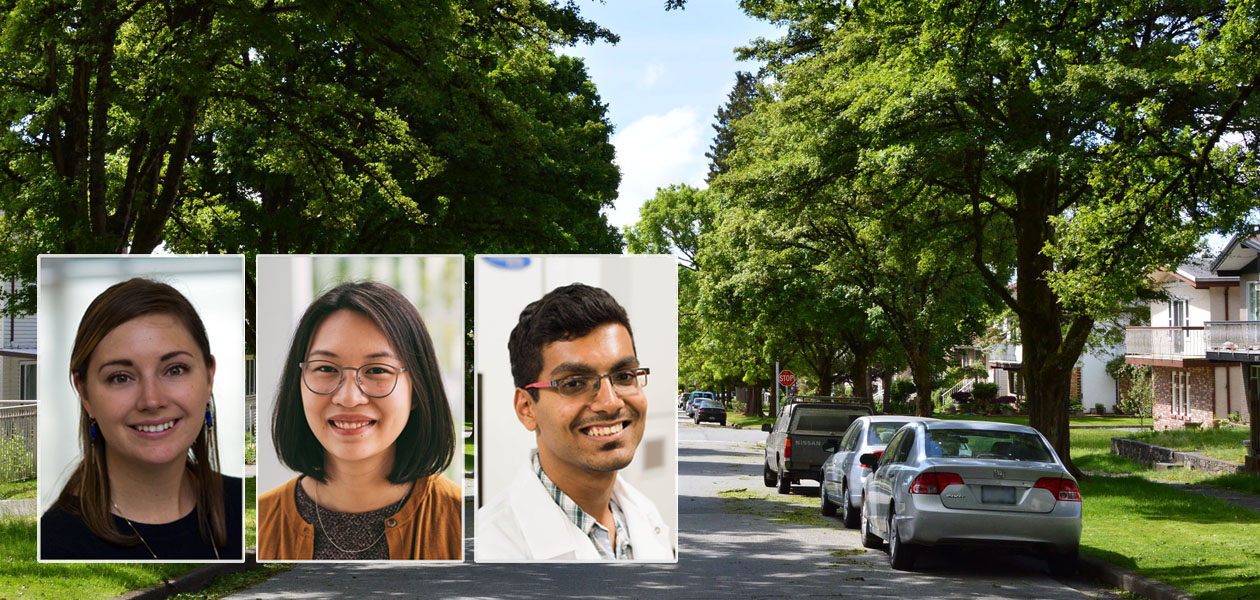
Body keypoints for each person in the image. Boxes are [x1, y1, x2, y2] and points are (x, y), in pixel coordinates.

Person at [41, 278, 242, 560]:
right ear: (85, 393)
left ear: (209, 377)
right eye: (121, 377)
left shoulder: (248, 506)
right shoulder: (56, 545)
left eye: (175, 370)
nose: (151, 400)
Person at [258, 281, 461, 560]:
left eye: (377, 370)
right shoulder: (261, 521)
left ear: (417, 390)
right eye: (326, 368)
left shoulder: (462, 520)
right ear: (299, 385)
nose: (349, 397)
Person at [476, 283, 674, 561]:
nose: (611, 402)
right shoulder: (492, 547)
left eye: (624, 376)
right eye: (574, 383)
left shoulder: (647, 516)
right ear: (526, 409)